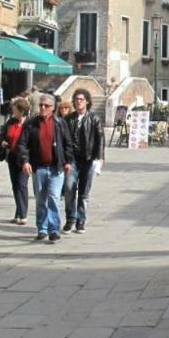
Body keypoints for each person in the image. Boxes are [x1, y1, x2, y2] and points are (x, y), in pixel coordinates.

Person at [17, 92, 75, 243]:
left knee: (54, 198)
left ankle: (54, 229)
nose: (42, 107)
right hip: (39, 167)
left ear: (53, 108)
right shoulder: (31, 124)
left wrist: (68, 161)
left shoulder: (60, 123)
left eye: (46, 105)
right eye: (41, 105)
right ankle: (42, 228)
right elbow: (23, 144)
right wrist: (25, 161)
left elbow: (68, 144)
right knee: (41, 199)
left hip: (57, 168)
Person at [64, 88, 103, 234]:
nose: (78, 101)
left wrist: (100, 157)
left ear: (87, 101)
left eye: (81, 99)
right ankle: (70, 218)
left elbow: (100, 138)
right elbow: (63, 139)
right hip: (72, 159)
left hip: (88, 158)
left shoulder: (94, 118)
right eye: (76, 99)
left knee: (84, 192)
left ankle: (81, 221)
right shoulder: (68, 119)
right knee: (69, 188)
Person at [0, 98, 31, 225]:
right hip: (12, 157)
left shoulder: (29, 123)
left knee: (22, 184)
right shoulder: (10, 122)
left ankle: (23, 214)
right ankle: (18, 212)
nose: (12, 111)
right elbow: (3, 135)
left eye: (15, 109)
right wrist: (3, 142)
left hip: (25, 159)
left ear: (21, 111)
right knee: (15, 185)